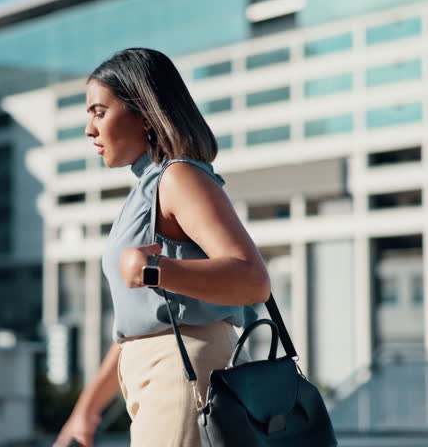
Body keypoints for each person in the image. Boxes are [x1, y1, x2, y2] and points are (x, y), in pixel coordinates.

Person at [52, 48, 271, 447]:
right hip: (155, 372)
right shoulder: (145, 190)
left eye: (99, 112)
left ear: (144, 113)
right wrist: (87, 409)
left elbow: (252, 279)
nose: (90, 129)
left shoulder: (179, 177)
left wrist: (154, 271)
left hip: (181, 368)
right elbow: (139, 326)